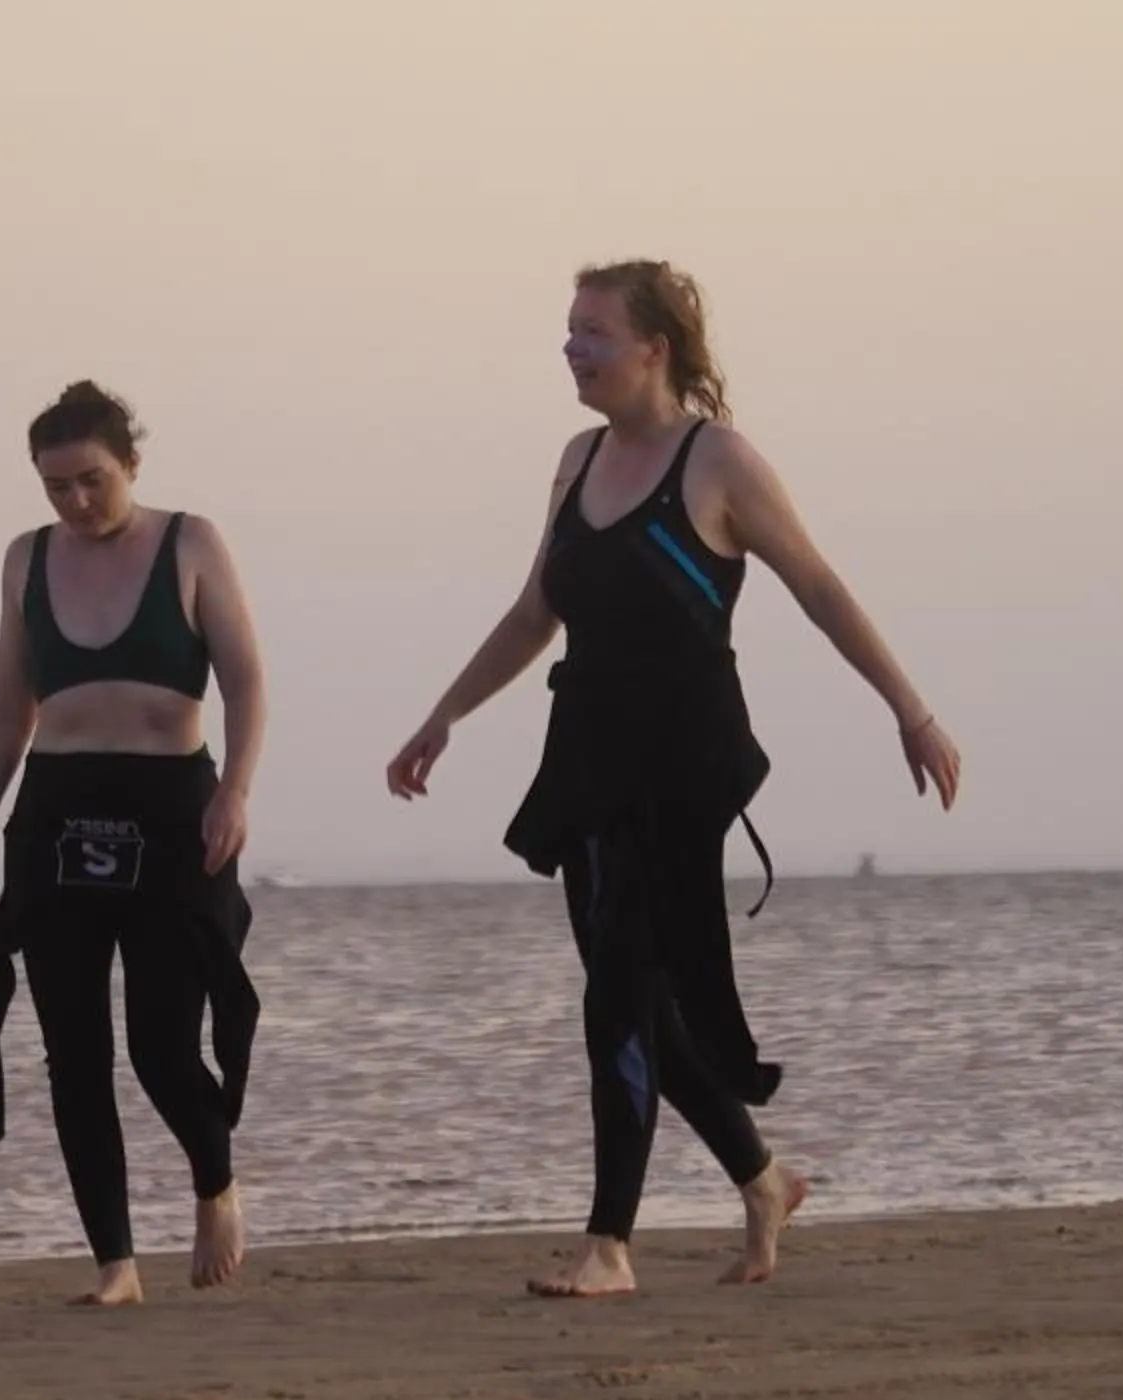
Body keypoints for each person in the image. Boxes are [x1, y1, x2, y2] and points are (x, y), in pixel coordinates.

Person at [387, 260, 962, 1299]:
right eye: (568, 330)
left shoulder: (718, 461)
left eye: (593, 331)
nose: (573, 347)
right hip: (587, 750)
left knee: (620, 988)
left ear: (655, 347)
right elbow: (534, 613)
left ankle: (610, 1245)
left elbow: (820, 586)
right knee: (639, 998)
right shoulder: (575, 461)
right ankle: (764, 1176)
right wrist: (444, 716)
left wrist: (910, 709)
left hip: (682, 758)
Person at [0, 382, 268, 1307]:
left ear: (130, 464)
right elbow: (8, 702)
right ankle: (115, 1265)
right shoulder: (25, 561)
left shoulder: (191, 544)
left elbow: (248, 685)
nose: (75, 502)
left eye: (92, 480)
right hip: (55, 810)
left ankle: (215, 1183)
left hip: (172, 807)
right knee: (73, 1048)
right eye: (56, 487)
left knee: (162, 1045)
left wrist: (236, 794)